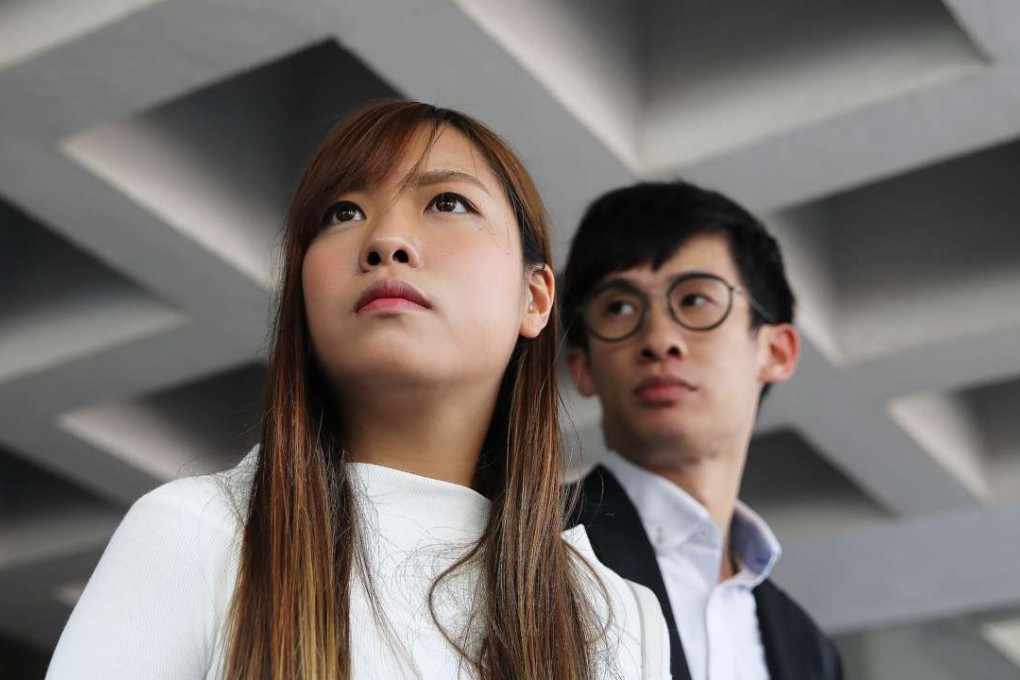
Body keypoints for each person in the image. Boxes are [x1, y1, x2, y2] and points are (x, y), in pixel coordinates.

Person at [47, 102, 670, 679]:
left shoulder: (618, 616)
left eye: (447, 202)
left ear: (534, 298)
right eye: (342, 213)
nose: (385, 241)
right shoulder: (197, 534)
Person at [562, 181, 843, 680]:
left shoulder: (811, 651)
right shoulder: (525, 540)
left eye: (694, 300)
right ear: (582, 366)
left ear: (775, 352)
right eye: (619, 308)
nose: (660, 340)